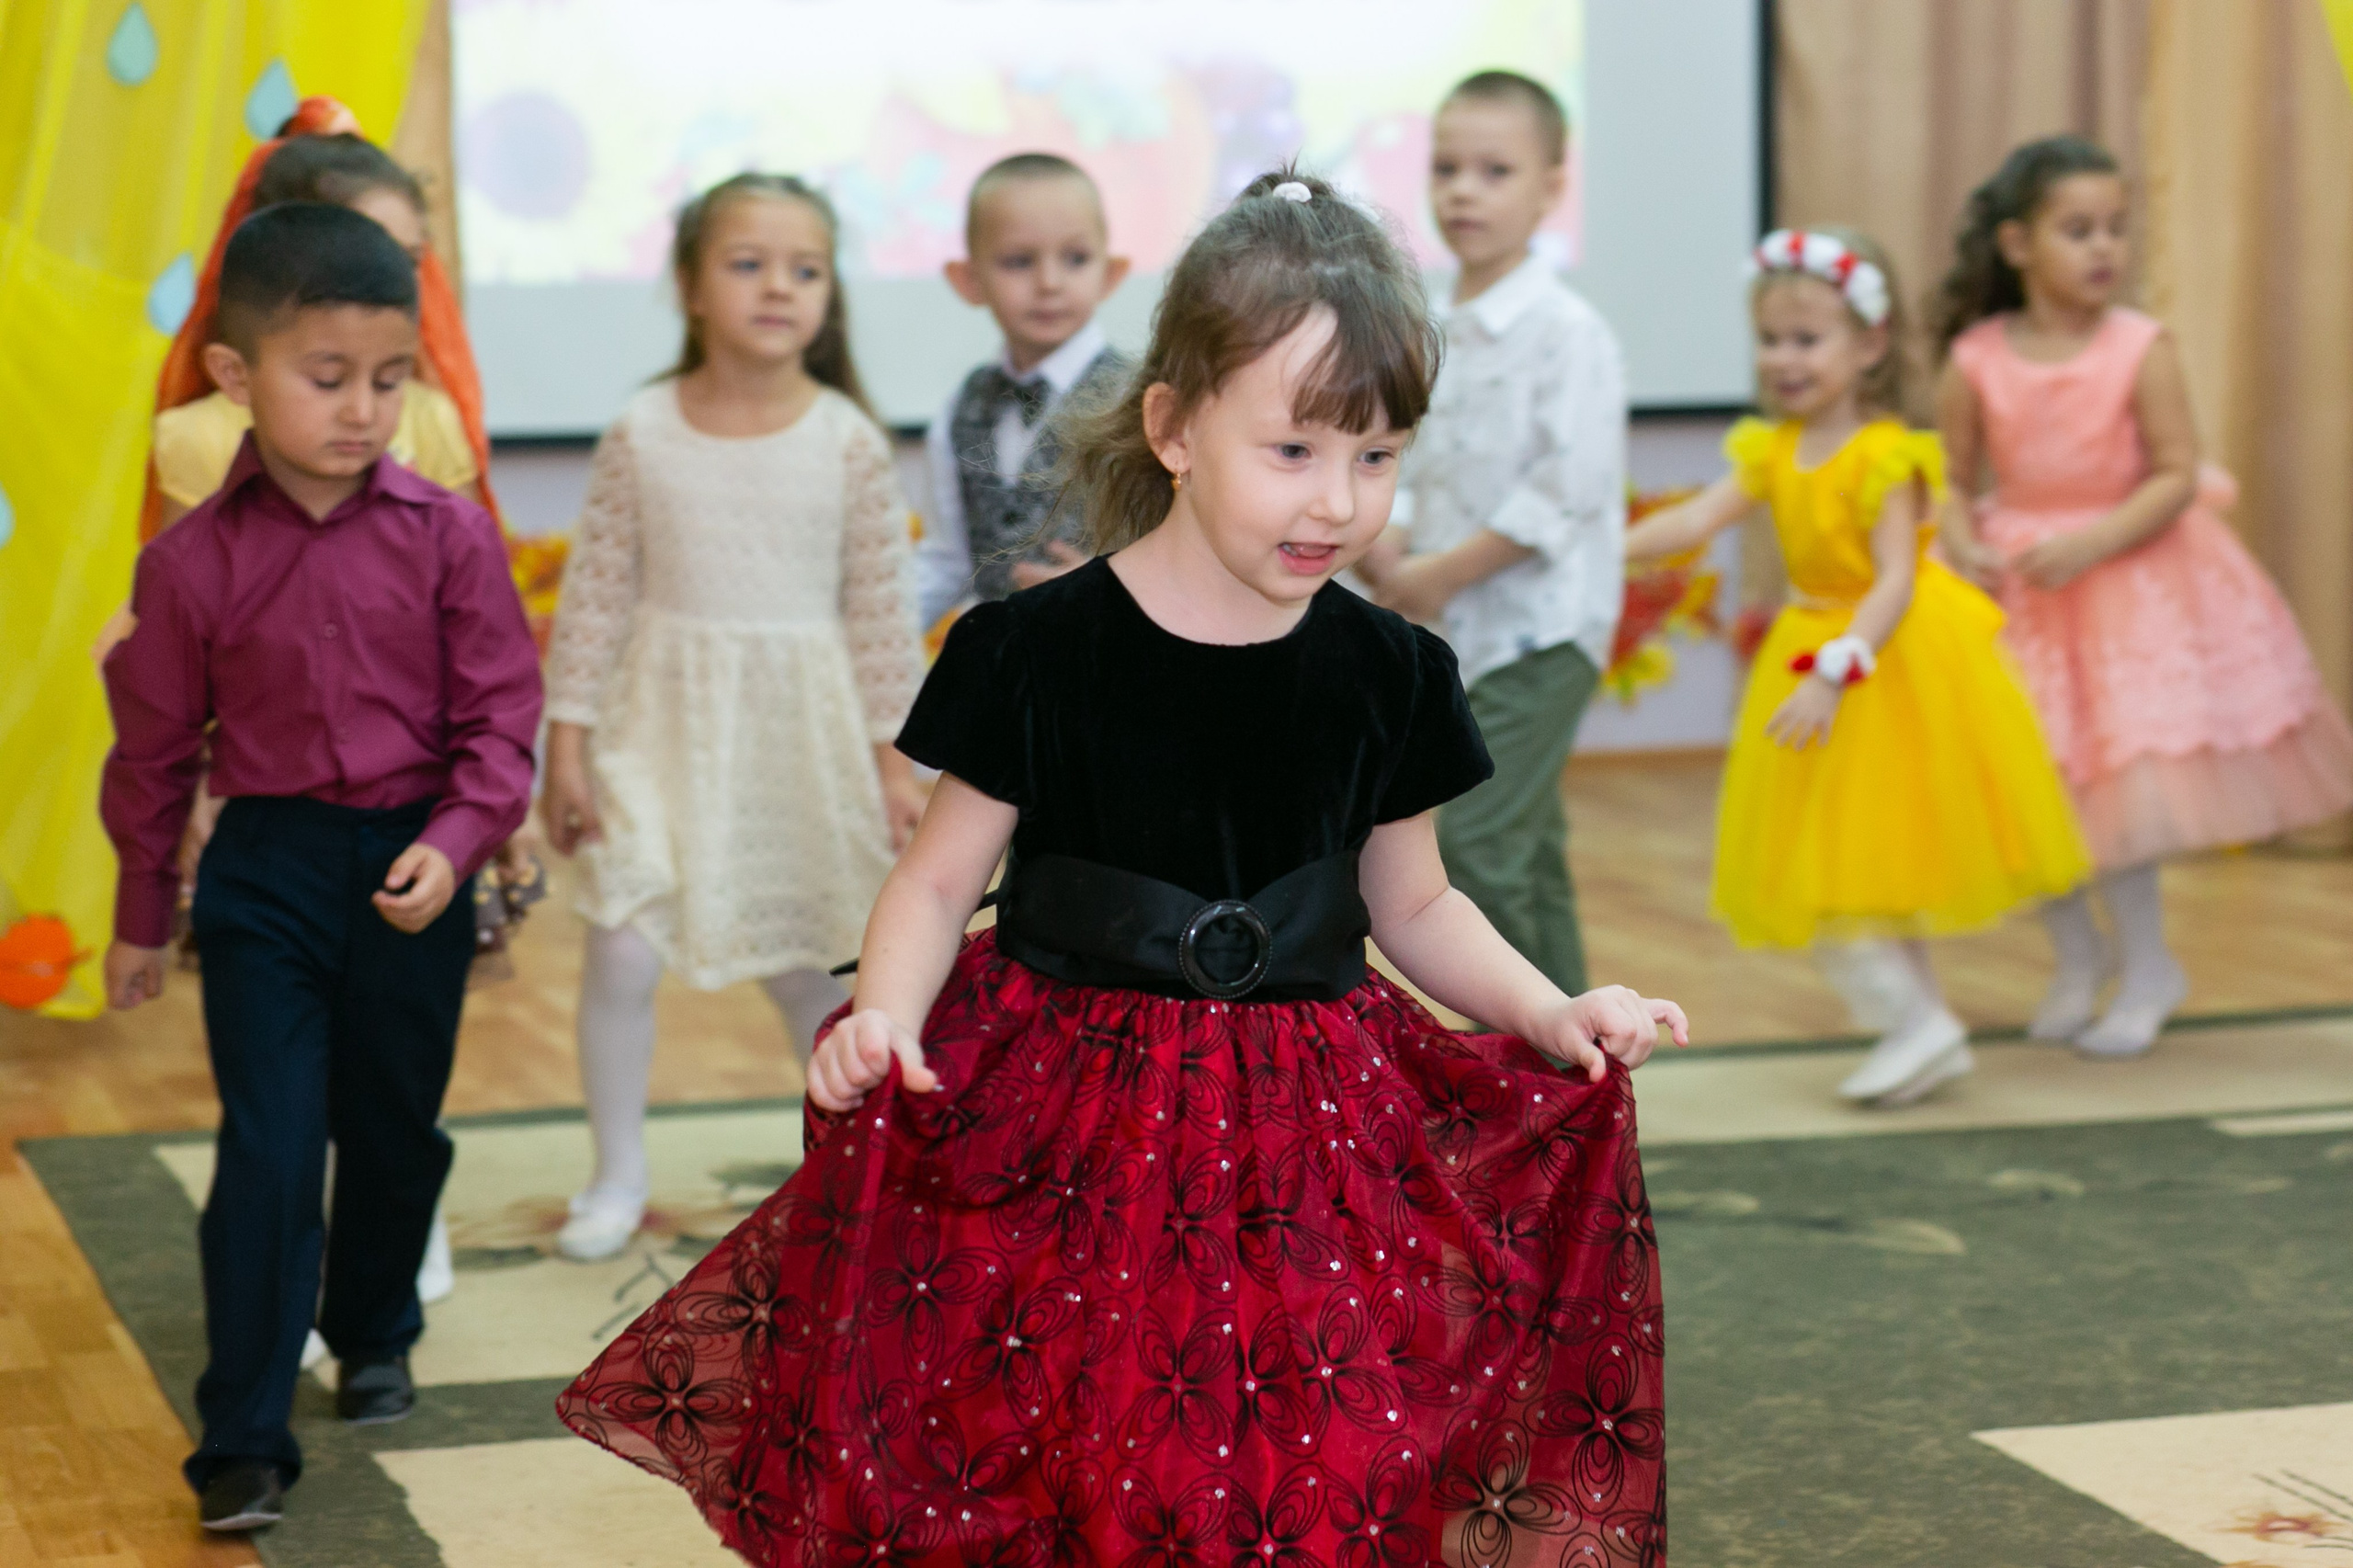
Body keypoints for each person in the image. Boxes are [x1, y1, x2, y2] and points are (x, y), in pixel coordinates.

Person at [556, 170, 1684, 1567]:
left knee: (1301, 1437)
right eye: (1294, 451)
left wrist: (1549, 1008)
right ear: (1173, 427)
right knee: (1061, 1431)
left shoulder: (1392, 669)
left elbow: (1418, 902)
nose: (1340, 499)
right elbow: (928, 882)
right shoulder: (1036, 650)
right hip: (1062, 1117)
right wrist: (889, 1019)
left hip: (1306, 1138)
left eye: (1380, 457)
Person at [97, 203, 542, 1533]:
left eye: (392, 380)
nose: (364, 410)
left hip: (416, 857)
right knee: (274, 1147)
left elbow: (499, 720)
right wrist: (135, 918)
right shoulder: (187, 565)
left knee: (394, 1127)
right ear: (237, 377)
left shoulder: (452, 537)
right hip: (268, 874)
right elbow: (153, 753)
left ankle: (375, 1324)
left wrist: (453, 843)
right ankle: (242, 1431)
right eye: (328, 378)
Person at [536, 173, 927, 1263]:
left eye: (804, 270)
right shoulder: (642, 430)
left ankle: (850, 1175)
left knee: (813, 970)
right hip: (656, 729)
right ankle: (615, 1174)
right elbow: (598, 596)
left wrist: (894, 766)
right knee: (619, 948)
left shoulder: (847, 436)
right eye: (748, 263)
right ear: (690, 286)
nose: (778, 288)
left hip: (798, 740)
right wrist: (564, 746)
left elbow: (880, 618)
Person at [1628, 227, 2089, 1107]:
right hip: (1812, 652)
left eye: (1808, 339)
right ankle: (1922, 1025)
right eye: (1771, 339)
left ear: (1869, 345)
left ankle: (1917, 1025)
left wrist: (1837, 669)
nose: (1785, 359)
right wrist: (1606, 546)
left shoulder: (1887, 457)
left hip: (1880, 666)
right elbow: (1693, 523)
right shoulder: (1769, 449)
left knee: (1847, 875)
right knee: (1850, 871)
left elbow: (1897, 583)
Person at [1934, 136, 2353, 1057]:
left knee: (2122, 799)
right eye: (2077, 229)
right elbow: (1951, 480)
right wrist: (1963, 542)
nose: (2101, 248)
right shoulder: (1974, 357)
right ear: (2015, 245)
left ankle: (2151, 962)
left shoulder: (2138, 347)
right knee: (2035, 794)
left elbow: (2173, 472)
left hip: (2128, 582)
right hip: (2024, 594)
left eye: (2115, 229)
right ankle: (2078, 959)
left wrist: (2091, 541)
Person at [1359, 69, 1624, 995]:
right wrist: (1383, 546)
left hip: (1538, 628)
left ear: (1552, 186)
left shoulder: (1566, 332)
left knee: (1473, 834)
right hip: (1453, 623)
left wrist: (1440, 573)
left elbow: (1566, 490)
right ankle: (1585, 1063)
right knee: (1527, 841)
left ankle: (1534, 1035)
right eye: (1446, 168)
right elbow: (1412, 464)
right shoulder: (1434, 326)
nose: (1462, 190)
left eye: (1494, 170)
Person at [915, 153, 1132, 628]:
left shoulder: (1142, 402)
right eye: (1019, 262)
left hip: (1112, 658)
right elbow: (948, 559)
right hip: (999, 670)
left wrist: (1118, 587)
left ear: (1110, 273)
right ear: (968, 281)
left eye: (1075, 259)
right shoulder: (962, 406)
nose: (1049, 283)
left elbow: (1188, 545)